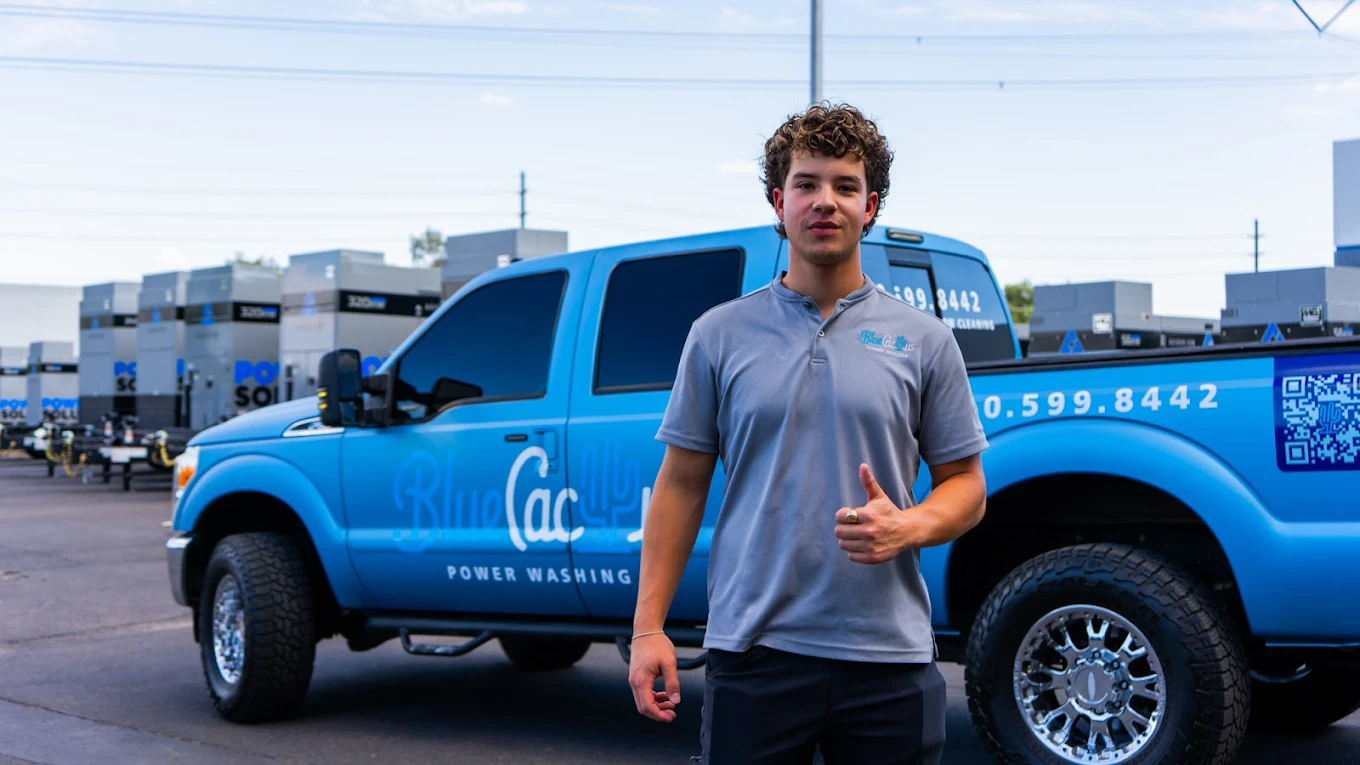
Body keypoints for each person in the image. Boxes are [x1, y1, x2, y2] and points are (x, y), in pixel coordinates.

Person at [626, 102, 989, 765]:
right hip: (755, 653)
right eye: (807, 183)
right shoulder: (718, 334)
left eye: (845, 186)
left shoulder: (925, 341)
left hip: (889, 660)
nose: (826, 201)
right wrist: (648, 626)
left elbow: (967, 486)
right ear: (779, 200)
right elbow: (680, 486)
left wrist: (908, 527)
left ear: (871, 204)